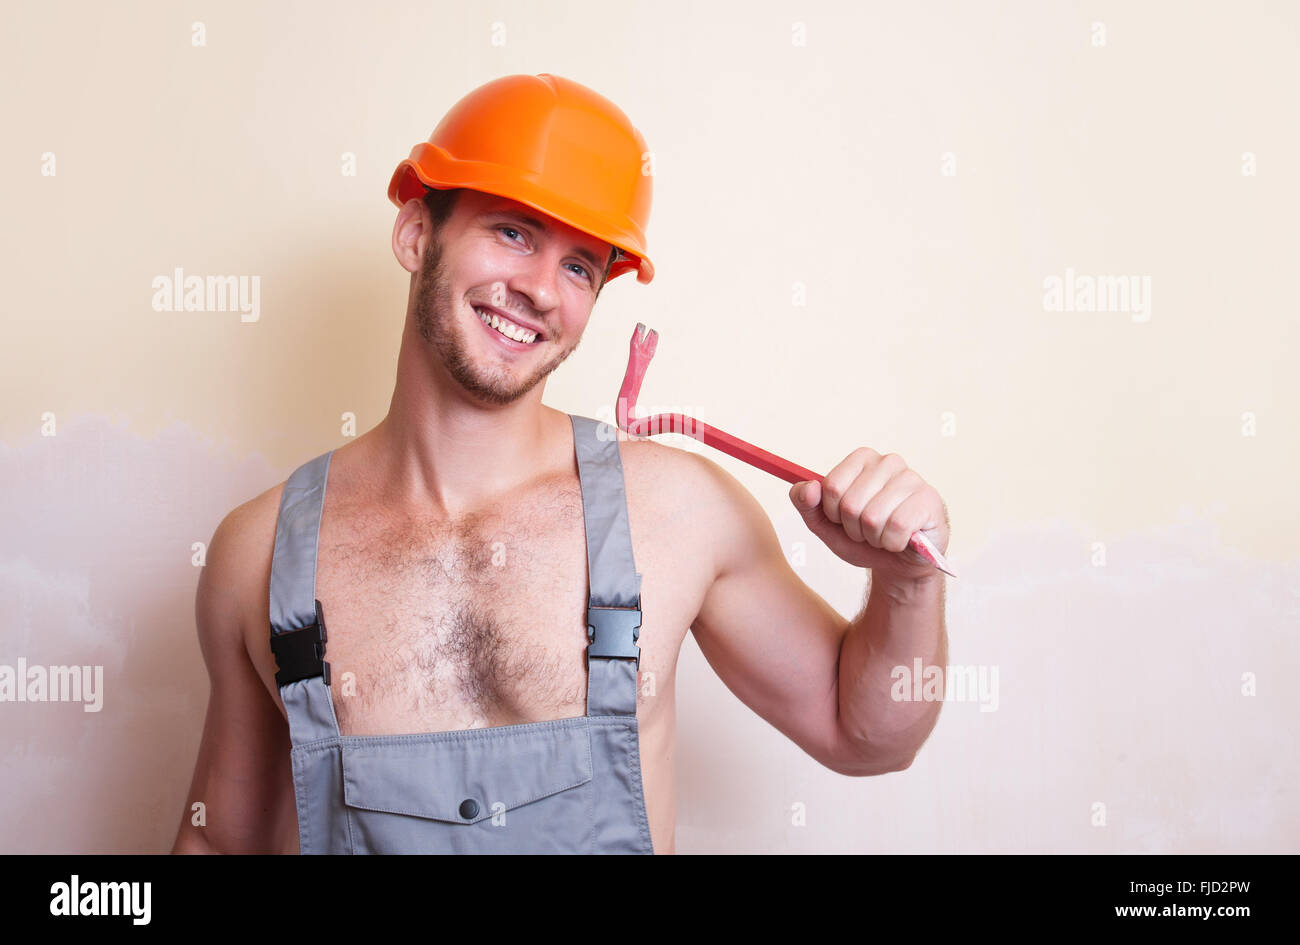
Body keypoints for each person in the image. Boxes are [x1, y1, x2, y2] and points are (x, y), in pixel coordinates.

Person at [170, 73, 950, 855]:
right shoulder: (259, 554)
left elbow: (866, 735)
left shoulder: (676, 513)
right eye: (512, 231)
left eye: (580, 266)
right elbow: (219, 840)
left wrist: (907, 586)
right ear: (415, 233)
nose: (541, 289)